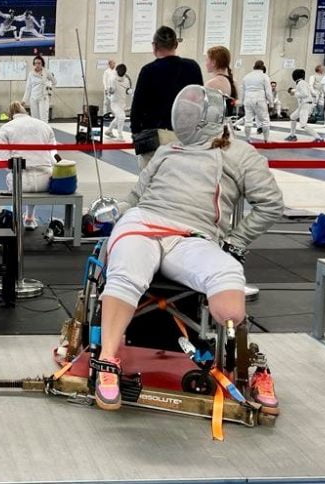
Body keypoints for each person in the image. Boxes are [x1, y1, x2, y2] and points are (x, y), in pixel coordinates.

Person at [92, 85, 283, 413]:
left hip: (193, 236)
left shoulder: (240, 155)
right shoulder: (167, 151)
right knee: (127, 272)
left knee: (227, 275)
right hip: (143, 222)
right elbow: (136, 197)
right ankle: (108, 361)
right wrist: (114, 211)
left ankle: (243, 363)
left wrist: (236, 242)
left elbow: (271, 204)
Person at [130, 26, 203, 170]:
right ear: (176, 44)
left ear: (154, 46)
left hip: (155, 138)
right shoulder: (192, 67)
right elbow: (200, 102)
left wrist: (136, 134)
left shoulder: (148, 71)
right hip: (186, 137)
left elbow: (137, 107)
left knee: (152, 180)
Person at [0, 102, 60, 230]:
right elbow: (54, 159)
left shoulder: (5, 128)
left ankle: (13, 217)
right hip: (46, 182)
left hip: (20, 184)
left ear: (11, 115)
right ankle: (29, 218)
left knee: (12, 176)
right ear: (25, 111)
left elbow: (5, 163)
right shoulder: (45, 126)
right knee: (41, 172)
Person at [286, 69, 324, 143]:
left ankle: (319, 138)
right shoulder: (302, 83)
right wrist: (294, 92)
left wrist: (294, 93)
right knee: (293, 117)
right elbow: (303, 93)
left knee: (303, 125)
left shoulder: (301, 83)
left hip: (305, 105)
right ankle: (292, 136)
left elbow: (305, 94)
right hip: (303, 105)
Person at [241, 60, 272, 142]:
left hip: (248, 99)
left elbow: (242, 91)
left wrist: (242, 102)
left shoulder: (246, 76)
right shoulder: (264, 76)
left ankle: (248, 139)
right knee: (265, 121)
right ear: (263, 67)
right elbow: (268, 92)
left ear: (254, 67)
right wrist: (271, 103)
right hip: (260, 99)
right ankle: (266, 140)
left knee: (248, 121)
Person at [204, 46, 237, 123]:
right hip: (227, 125)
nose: (205, 64)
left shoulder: (211, 84)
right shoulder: (234, 82)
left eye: (207, 60)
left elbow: (207, 112)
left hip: (215, 127)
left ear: (213, 62)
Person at [23, 55, 55, 122]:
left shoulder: (46, 72)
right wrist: (24, 100)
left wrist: (49, 85)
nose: (37, 65)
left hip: (43, 97)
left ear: (42, 64)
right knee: (35, 118)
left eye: (39, 63)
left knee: (44, 117)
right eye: (36, 63)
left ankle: (45, 129)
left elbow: (54, 81)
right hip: (33, 98)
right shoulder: (31, 74)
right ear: (34, 64)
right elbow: (28, 88)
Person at [105, 64, 130, 140]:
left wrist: (129, 91)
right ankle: (120, 135)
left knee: (118, 117)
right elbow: (111, 91)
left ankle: (109, 131)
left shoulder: (126, 80)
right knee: (122, 117)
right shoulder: (112, 79)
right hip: (115, 102)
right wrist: (110, 91)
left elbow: (127, 90)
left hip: (122, 102)